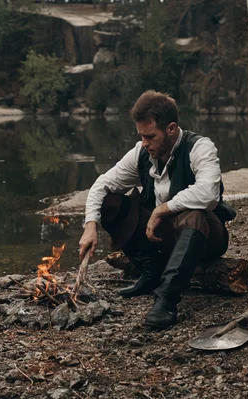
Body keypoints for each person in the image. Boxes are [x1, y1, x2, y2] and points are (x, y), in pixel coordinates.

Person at [78, 90, 236, 329]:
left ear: (171, 129)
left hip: (205, 237)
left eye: (150, 136)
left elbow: (209, 193)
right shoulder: (141, 153)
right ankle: (151, 272)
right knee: (111, 202)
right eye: (141, 136)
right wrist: (91, 225)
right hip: (163, 237)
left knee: (194, 215)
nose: (144, 143)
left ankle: (166, 298)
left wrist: (161, 209)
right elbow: (102, 184)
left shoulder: (200, 148)